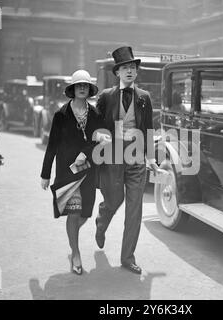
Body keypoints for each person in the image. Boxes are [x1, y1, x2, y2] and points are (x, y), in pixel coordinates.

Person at [94, 46, 161, 275]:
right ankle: (102, 221)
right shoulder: (105, 97)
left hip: (137, 159)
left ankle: (127, 257)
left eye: (133, 67)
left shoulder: (144, 97)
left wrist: (151, 158)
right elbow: (94, 126)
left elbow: (149, 129)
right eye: (125, 68)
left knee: (135, 209)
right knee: (114, 201)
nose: (130, 71)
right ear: (118, 73)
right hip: (113, 156)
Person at [40, 70, 102, 275]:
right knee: (73, 213)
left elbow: (98, 141)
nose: (82, 88)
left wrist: (86, 153)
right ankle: (75, 253)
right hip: (67, 172)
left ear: (89, 89)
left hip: (88, 171)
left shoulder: (95, 115)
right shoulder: (61, 114)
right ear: (73, 90)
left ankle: (72, 233)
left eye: (85, 85)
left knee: (85, 213)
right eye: (78, 85)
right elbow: (52, 145)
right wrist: (45, 173)